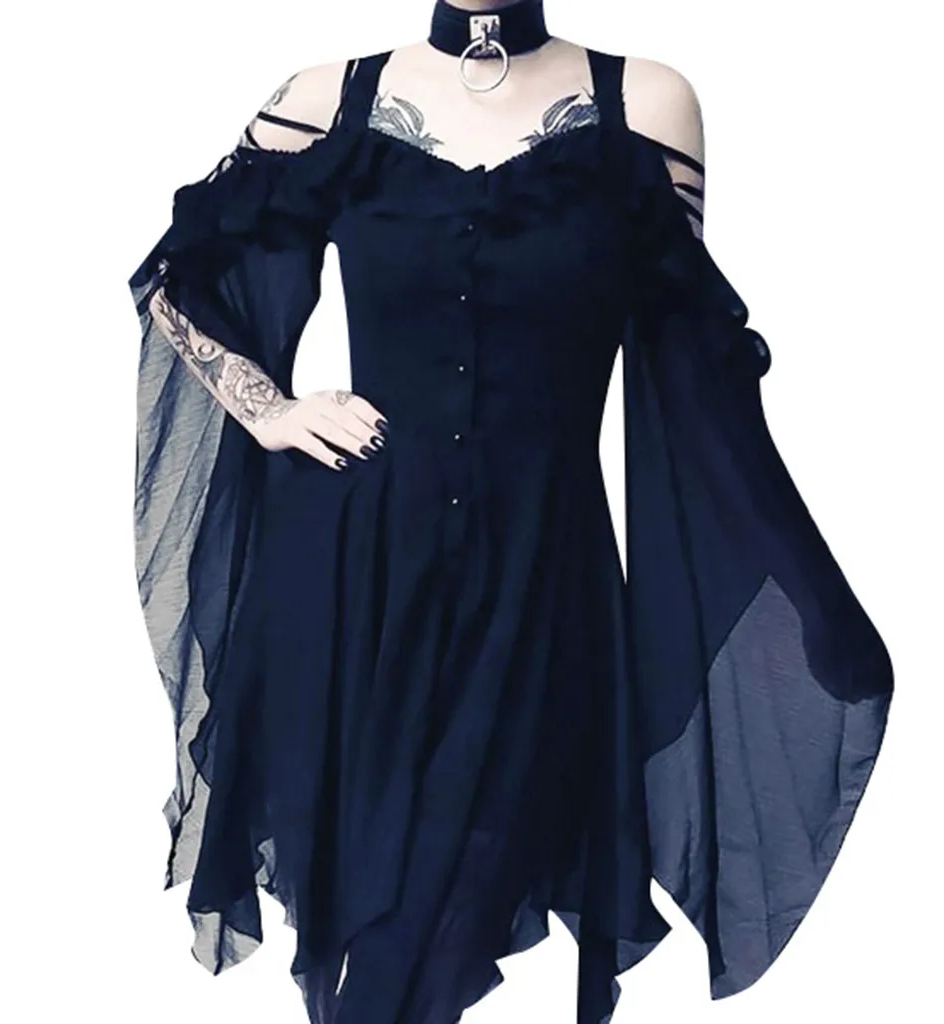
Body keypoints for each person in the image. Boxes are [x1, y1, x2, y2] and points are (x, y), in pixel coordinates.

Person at [127, 2, 894, 1022]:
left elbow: (692, 362)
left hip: (542, 583)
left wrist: (798, 587)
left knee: (444, 911)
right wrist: (270, 410)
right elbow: (177, 274)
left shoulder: (645, 103)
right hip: (353, 574)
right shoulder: (332, 97)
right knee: (374, 922)